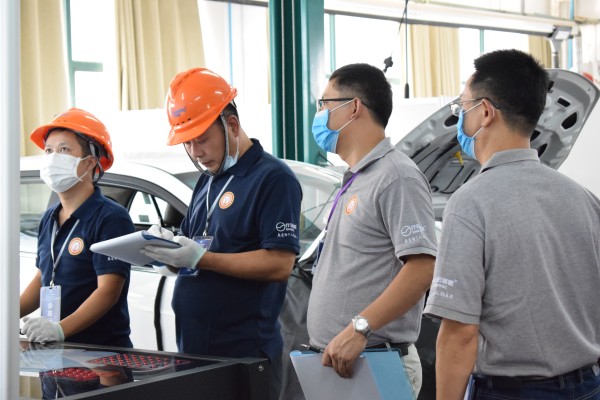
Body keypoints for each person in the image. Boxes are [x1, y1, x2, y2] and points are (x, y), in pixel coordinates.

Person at [424, 49, 600, 400]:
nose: (460, 117)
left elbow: (459, 334)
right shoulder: (584, 199)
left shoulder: (470, 203)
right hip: (588, 386)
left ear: (485, 112)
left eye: (462, 107)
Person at [141, 67, 302, 400]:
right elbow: (194, 254)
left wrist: (203, 259)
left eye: (201, 139)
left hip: (244, 356)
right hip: (196, 350)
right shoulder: (208, 180)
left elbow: (279, 263)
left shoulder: (273, 178)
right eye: (187, 143)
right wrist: (165, 253)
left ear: (231, 125)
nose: (195, 152)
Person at [305, 63, 437, 397]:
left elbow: (423, 266)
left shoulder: (397, 177)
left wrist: (360, 328)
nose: (319, 114)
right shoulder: (359, 177)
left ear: (353, 107)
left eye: (324, 104)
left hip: (375, 360)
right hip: (341, 361)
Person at [20, 108, 135, 348]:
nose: (53, 158)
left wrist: (60, 329)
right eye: (48, 151)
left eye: (64, 150)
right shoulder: (50, 217)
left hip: (100, 354)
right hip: (54, 350)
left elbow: (108, 291)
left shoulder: (111, 218)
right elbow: (43, 276)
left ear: (89, 162)